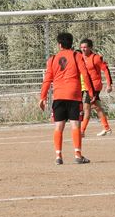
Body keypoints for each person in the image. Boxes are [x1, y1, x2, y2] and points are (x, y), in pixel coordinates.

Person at [38, 32, 96, 165]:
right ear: (71, 43)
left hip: (58, 96)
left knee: (59, 126)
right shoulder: (76, 56)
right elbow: (85, 74)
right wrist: (91, 92)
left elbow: (47, 79)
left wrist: (42, 97)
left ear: (59, 45)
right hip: (74, 95)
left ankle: (58, 157)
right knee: (75, 124)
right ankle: (78, 155)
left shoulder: (52, 59)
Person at [79, 38, 114, 136]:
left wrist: (109, 84)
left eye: (85, 47)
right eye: (81, 47)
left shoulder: (96, 58)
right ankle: (107, 128)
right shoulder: (80, 58)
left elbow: (105, 70)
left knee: (87, 108)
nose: (83, 49)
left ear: (90, 47)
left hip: (94, 86)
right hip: (86, 86)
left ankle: (82, 131)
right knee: (97, 107)